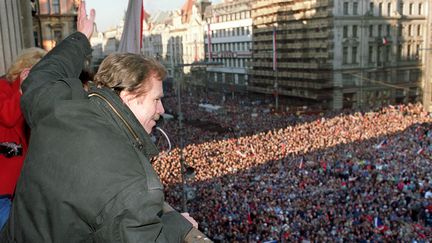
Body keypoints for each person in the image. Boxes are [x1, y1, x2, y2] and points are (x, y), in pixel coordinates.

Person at [1, 2, 202, 242]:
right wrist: (176, 225)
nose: (162, 109)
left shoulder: (60, 108)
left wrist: (81, 38)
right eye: (156, 99)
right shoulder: (134, 182)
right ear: (128, 96)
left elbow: (41, 76)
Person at [0, 47, 46, 229]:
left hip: (20, 187)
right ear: (26, 71)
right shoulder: (3, 87)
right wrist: (21, 90)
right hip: (3, 186)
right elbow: (8, 117)